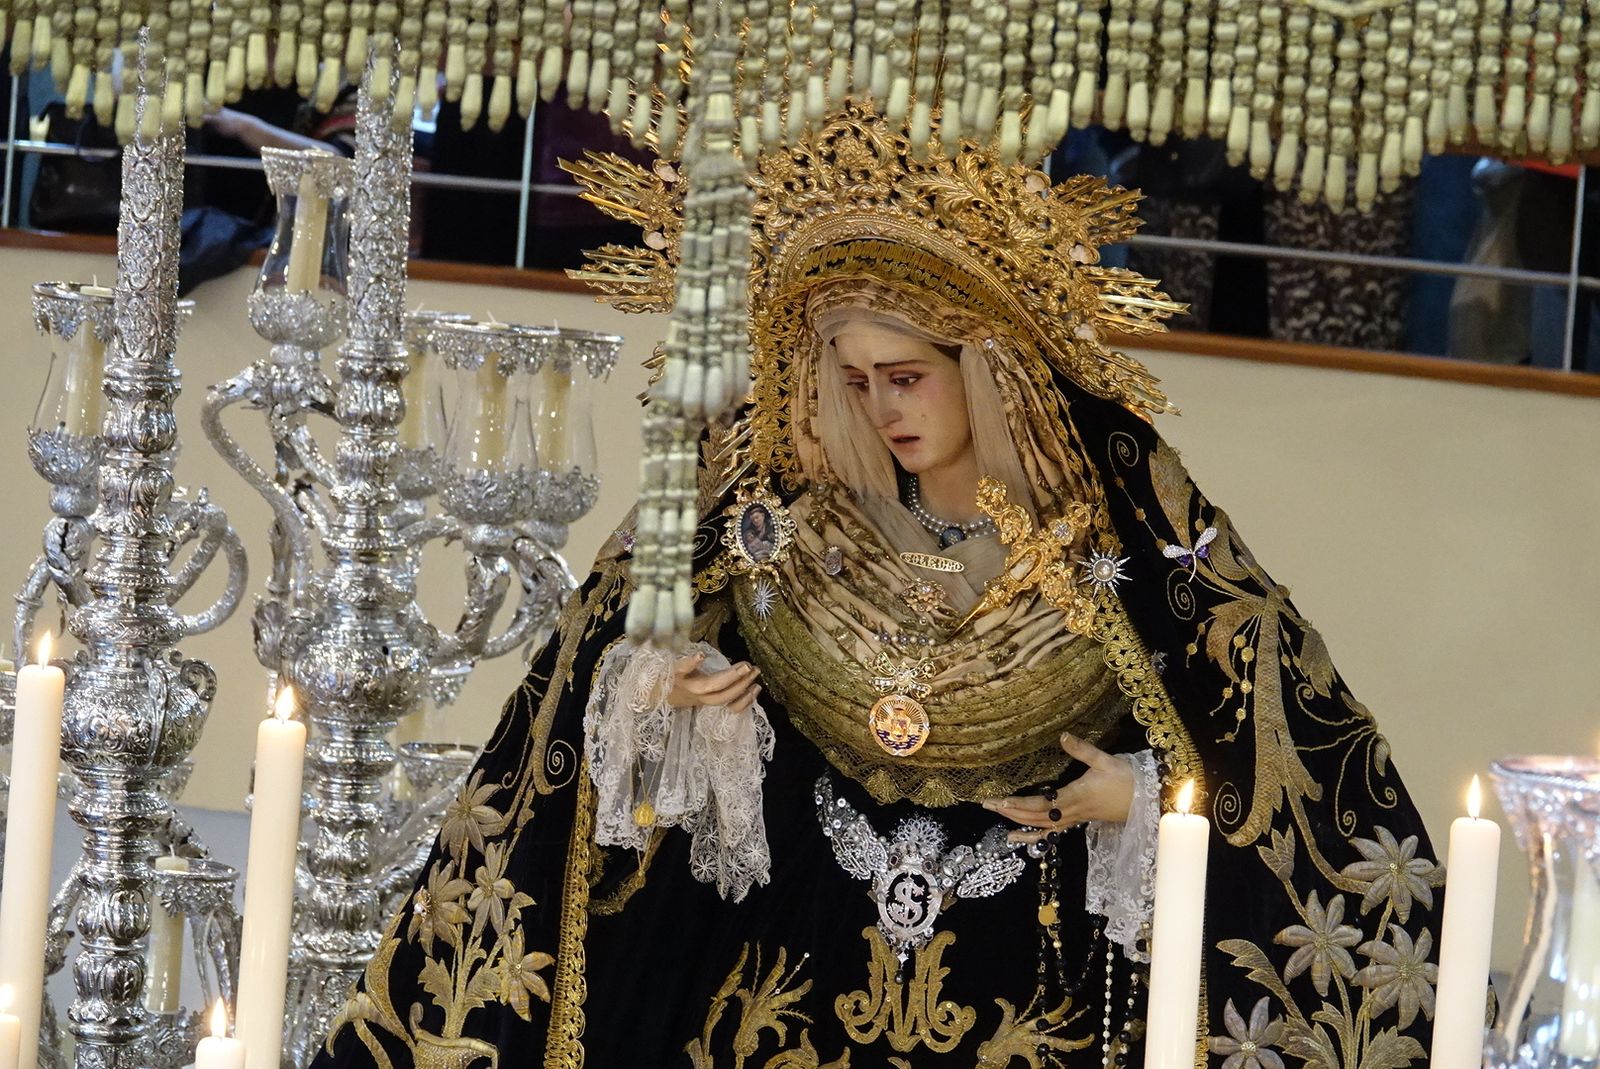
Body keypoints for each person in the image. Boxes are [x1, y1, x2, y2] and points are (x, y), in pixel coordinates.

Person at [315, 105, 1444, 1068]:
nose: (881, 410)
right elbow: (594, 692)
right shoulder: (775, 509)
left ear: (986, 363)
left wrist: (1148, 802)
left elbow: (1269, 745)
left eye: (906, 377)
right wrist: (666, 702)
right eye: (853, 381)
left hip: (1034, 963)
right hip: (787, 955)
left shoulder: (1124, 522)